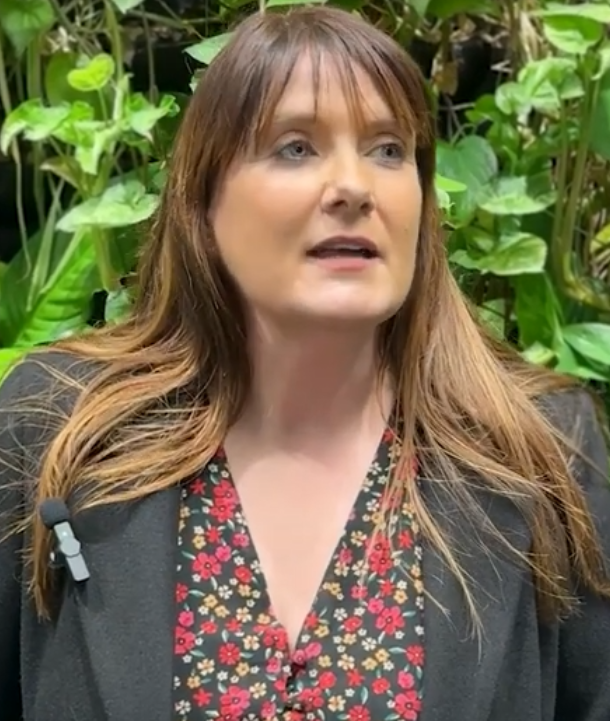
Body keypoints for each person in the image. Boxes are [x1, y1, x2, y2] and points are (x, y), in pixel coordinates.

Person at [1, 5, 609, 721]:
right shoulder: (52, 426)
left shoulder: (540, 449)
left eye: (388, 149)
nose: (355, 186)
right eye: (295, 147)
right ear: (204, 199)